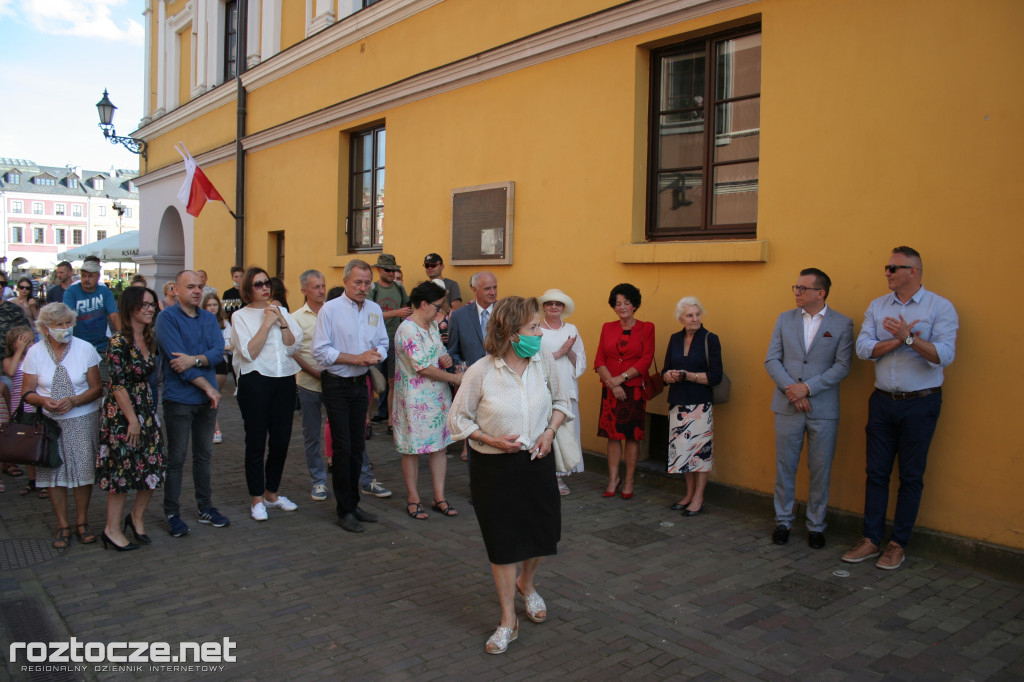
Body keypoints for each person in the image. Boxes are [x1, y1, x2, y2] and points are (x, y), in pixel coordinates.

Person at [448, 296, 571, 655]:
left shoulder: (542, 361)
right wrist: (488, 439)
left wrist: (549, 434)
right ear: (511, 333)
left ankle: (527, 584)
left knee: (541, 533)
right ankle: (507, 621)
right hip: (493, 468)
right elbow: (459, 420)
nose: (539, 334)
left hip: (536, 461)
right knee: (503, 543)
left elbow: (563, 402)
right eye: (533, 328)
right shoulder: (481, 371)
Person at [843, 246, 958, 570]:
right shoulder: (878, 307)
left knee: (911, 476)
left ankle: (897, 544)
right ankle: (870, 539)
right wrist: (899, 340)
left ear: (914, 271)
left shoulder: (940, 308)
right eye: (887, 267)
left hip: (921, 404)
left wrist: (909, 339)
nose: (887, 273)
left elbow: (944, 355)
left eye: (894, 268)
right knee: (876, 473)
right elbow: (864, 349)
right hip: (882, 402)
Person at [765, 269, 854, 548]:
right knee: (785, 466)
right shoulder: (784, 319)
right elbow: (772, 360)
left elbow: (842, 366)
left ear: (821, 292)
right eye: (796, 287)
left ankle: (816, 525)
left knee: (820, 468)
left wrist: (808, 388)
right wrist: (793, 390)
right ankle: (783, 521)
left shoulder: (842, 324)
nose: (797, 292)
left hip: (823, 409)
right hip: (787, 404)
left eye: (803, 288)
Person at [312, 259, 389, 533]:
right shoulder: (330, 310)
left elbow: (383, 342)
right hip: (337, 384)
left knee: (358, 446)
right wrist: (355, 358)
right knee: (343, 448)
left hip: (361, 384)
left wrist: (375, 355)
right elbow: (321, 351)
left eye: (367, 283)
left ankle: (354, 503)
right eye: (358, 282)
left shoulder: (374, 309)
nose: (363, 288)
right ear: (345, 281)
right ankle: (343, 510)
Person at [22, 302, 104, 548]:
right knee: (54, 475)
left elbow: (97, 387)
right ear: (46, 328)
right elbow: (26, 392)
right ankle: (62, 525)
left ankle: (82, 522)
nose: (65, 329)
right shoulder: (35, 352)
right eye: (59, 325)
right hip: (49, 423)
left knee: (82, 473)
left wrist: (75, 400)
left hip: (82, 419)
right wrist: (43, 400)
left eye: (68, 323)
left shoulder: (85, 348)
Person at [154, 270, 227, 537]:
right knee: (176, 458)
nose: (197, 291)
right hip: (179, 400)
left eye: (201, 286)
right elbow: (177, 363)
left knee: (204, 457)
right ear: (175, 289)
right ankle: (172, 512)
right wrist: (209, 386)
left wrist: (194, 359)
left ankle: (205, 507)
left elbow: (217, 352)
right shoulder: (166, 318)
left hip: (206, 401)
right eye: (191, 287)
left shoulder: (208, 318)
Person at [96, 287, 166, 551]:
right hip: (122, 414)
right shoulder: (118, 341)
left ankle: (136, 517)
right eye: (144, 305)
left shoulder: (149, 337)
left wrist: (144, 416)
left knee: (153, 466)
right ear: (130, 308)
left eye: (152, 305)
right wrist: (132, 420)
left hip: (145, 409)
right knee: (122, 473)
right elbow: (116, 384)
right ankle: (111, 529)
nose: (150, 309)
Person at [231, 267, 303, 522]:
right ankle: (256, 498)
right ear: (248, 289)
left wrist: (281, 321)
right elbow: (249, 352)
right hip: (255, 382)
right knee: (256, 442)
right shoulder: (240, 316)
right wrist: (267, 323)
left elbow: (294, 344)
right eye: (258, 284)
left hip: (283, 380)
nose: (265, 287)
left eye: (267, 283)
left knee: (281, 441)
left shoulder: (281, 310)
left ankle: (272, 493)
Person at [393, 280, 463, 519]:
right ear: (423, 304)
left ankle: (439, 496)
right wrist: (454, 379)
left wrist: (446, 360)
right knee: (412, 448)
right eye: (437, 306)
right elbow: (422, 367)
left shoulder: (432, 326)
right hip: (414, 400)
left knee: (439, 447)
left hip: (438, 397)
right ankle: (413, 498)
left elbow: (439, 354)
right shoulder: (407, 329)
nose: (440, 312)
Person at [662, 296, 724, 516]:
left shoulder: (710, 339)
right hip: (678, 402)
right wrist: (667, 375)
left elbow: (716, 375)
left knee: (700, 453)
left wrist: (689, 376)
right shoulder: (675, 339)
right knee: (683, 453)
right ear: (681, 318)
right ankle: (688, 494)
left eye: (698, 314)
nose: (695, 318)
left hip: (700, 404)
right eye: (690, 315)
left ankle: (699, 498)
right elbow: (665, 369)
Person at [594, 283, 654, 500]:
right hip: (611, 389)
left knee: (631, 437)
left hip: (634, 390)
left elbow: (646, 359)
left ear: (634, 305)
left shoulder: (647, 328)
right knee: (612, 436)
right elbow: (599, 359)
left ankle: (628, 480)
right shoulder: (607, 328)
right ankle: (613, 478)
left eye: (627, 303)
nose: (622, 307)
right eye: (618, 304)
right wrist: (613, 383)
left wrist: (623, 378)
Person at [538, 288, 586, 495]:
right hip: (544, 388)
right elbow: (535, 360)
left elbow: (581, 362)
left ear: (563, 308)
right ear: (544, 307)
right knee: (544, 430)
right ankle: (543, 475)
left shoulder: (572, 329)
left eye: (558, 304)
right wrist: (560, 352)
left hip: (567, 388)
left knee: (565, 433)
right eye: (550, 303)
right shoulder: (537, 329)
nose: (554, 307)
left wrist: (571, 352)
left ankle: (559, 476)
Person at [293, 269, 330, 501]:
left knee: (344, 430)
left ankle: (362, 476)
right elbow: (294, 353)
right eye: (316, 287)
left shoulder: (332, 313)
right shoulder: (296, 318)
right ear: (304, 290)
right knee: (312, 435)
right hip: (308, 383)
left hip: (335, 382)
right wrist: (315, 373)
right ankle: (318, 480)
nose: (322, 291)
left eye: (323, 286)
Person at [369, 254, 411, 431]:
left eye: (394, 270)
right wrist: (396, 313)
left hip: (394, 340)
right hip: (374, 341)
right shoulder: (373, 289)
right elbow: (370, 314)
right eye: (388, 270)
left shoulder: (400, 289)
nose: (392, 273)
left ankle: (391, 421)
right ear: (379, 270)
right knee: (374, 382)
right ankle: (368, 421)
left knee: (393, 381)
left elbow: (407, 311)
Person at [5, 326, 46, 497]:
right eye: (26, 341)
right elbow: (11, 372)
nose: (31, 344)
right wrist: (20, 351)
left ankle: (44, 481)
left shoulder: (37, 358)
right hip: (20, 409)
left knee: (40, 444)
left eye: (32, 341)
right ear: (15, 344)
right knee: (27, 446)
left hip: (37, 407)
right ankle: (32, 480)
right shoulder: (9, 360)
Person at [63, 257, 120, 383]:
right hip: (77, 344)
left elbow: (114, 315)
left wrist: (121, 337)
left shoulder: (104, 291)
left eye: (90, 276)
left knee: (104, 381)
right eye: (83, 276)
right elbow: (67, 316)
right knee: (80, 380)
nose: (86, 279)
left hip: (100, 344)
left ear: (98, 277)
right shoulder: (72, 291)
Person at [201, 292, 232, 443]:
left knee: (212, 397)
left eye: (214, 305)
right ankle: (210, 428)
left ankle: (216, 429)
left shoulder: (225, 324)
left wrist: (216, 349)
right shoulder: (199, 322)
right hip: (204, 363)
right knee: (206, 398)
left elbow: (231, 345)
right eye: (209, 305)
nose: (212, 308)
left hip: (220, 364)